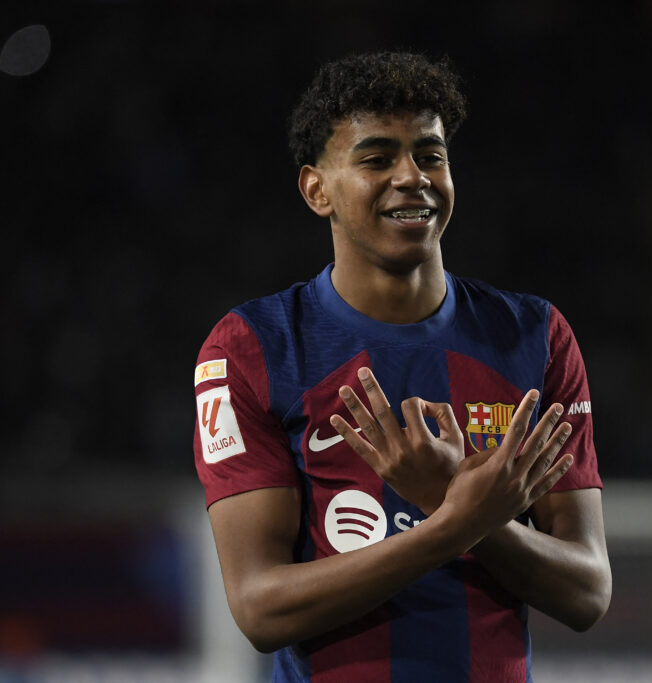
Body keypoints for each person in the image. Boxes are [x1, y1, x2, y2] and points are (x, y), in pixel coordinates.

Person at [192, 51, 611, 682]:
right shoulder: (252, 348)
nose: (412, 176)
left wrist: (453, 507)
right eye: (377, 157)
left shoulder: (535, 337)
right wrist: (455, 520)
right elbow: (260, 608)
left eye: (431, 154)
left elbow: (587, 593)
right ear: (317, 189)